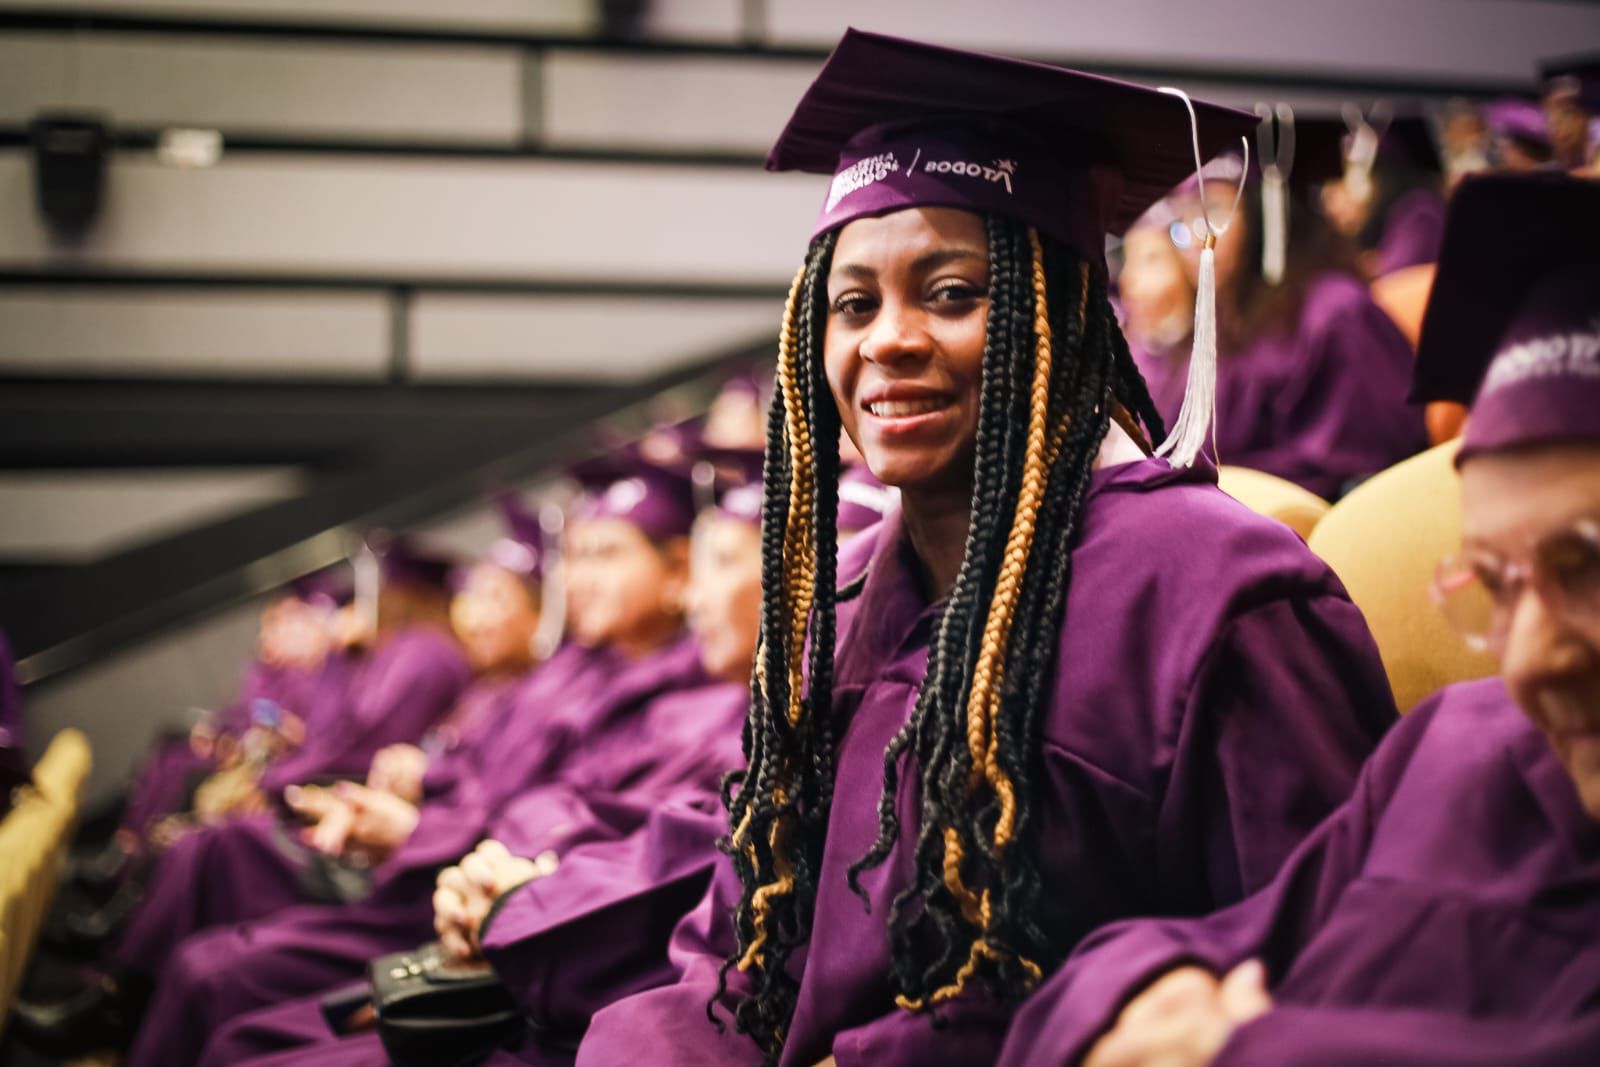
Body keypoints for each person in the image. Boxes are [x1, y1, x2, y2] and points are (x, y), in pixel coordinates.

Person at [575, 30, 1398, 1066]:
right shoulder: (830, 606)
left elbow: (1313, 976)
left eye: (952, 292)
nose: (887, 339)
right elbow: (734, 952)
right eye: (853, 304)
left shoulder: (1214, 596)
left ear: (1050, 310)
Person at [998, 170, 1600, 1067]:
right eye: (1496, 584)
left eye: (1586, 568)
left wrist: (1246, 1044)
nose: (1531, 658)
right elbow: (1203, 940)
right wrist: (1131, 1004)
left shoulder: (1325, 324)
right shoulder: (1460, 746)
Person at [202, 446, 769, 1065]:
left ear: (676, 572)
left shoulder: (716, 711)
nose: (577, 580)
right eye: (573, 558)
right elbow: (525, 797)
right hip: (486, 901)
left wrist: (451, 848)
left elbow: (616, 840)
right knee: (230, 966)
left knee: (233, 991)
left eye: (603, 555)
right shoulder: (582, 673)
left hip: (547, 940)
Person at [1133, 145, 1425, 499]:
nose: (1197, 241)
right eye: (1181, 224)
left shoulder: (1332, 312)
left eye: (1214, 211)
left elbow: (1359, 465)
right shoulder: (1217, 322)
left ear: (1264, 212)